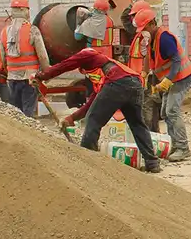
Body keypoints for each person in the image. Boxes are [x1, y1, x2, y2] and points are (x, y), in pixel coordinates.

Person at [33, 48, 161, 174]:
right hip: (135, 84)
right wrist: (71, 118)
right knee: (137, 125)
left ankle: (88, 160)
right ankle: (152, 163)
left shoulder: (87, 54)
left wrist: (42, 76)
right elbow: (91, 104)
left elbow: (65, 65)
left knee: (93, 120)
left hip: (118, 83)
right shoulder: (105, 70)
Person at [133, 8, 191, 162]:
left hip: (180, 78)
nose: (143, 32)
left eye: (144, 28)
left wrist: (169, 79)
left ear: (152, 24)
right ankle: (175, 145)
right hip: (170, 80)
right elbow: (150, 59)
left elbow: (176, 60)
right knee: (165, 113)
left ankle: (183, 148)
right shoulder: (151, 39)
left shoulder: (164, 38)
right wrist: (145, 74)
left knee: (172, 111)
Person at [1, 0, 51, 117]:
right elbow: (42, 56)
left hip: (12, 78)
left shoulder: (4, 32)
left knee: (16, 113)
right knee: (28, 113)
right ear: (25, 11)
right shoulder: (32, 30)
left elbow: (3, 58)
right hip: (30, 78)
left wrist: (8, 72)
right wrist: (47, 73)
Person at [126, 0, 159, 132]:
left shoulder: (146, 35)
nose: (132, 19)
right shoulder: (142, 33)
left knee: (146, 106)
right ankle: (151, 134)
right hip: (140, 76)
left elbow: (147, 56)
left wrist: (145, 74)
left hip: (145, 76)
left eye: (134, 15)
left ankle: (149, 135)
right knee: (146, 106)